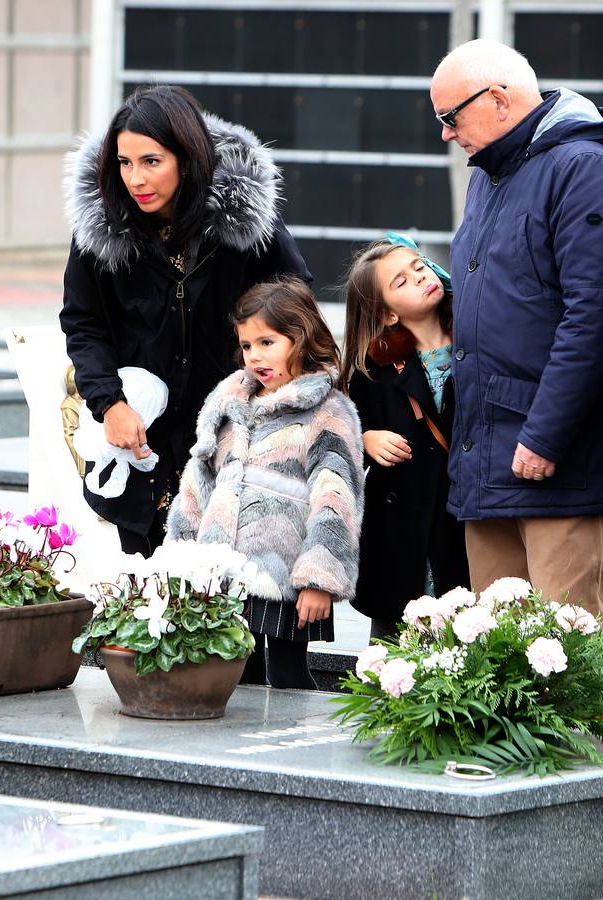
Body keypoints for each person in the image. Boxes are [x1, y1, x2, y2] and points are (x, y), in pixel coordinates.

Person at [429, 39, 603, 626]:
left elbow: (595, 317)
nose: (445, 133)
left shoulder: (582, 168)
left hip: (554, 457)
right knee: (499, 659)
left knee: (572, 661)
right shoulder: (490, 175)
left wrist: (545, 436)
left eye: (451, 117)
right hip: (486, 454)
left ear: (497, 99)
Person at [60, 85, 311, 557]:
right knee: (154, 596)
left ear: (188, 156)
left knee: (235, 590)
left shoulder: (244, 219)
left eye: (151, 161)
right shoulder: (102, 228)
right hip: (144, 434)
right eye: (124, 162)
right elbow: (83, 322)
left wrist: (265, 389)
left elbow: (294, 301)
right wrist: (109, 403)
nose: (135, 178)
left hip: (237, 431)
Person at [166, 278, 364, 689]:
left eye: (267, 342)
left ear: (301, 337)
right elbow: (199, 477)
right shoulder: (231, 400)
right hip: (221, 571)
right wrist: (182, 551)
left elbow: (337, 499)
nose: (254, 356)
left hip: (286, 572)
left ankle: (292, 750)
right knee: (236, 674)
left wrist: (319, 579)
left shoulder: (327, 411)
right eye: (246, 346)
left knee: (290, 676)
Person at [341, 234, 470, 640]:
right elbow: (339, 428)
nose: (420, 277)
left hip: (462, 516)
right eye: (401, 281)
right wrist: (366, 438)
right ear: (388, 314)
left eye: (419, 266)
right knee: (392, 639)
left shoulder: (476, 344)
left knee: (463, 634)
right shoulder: (372, 366)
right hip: (399, 524)